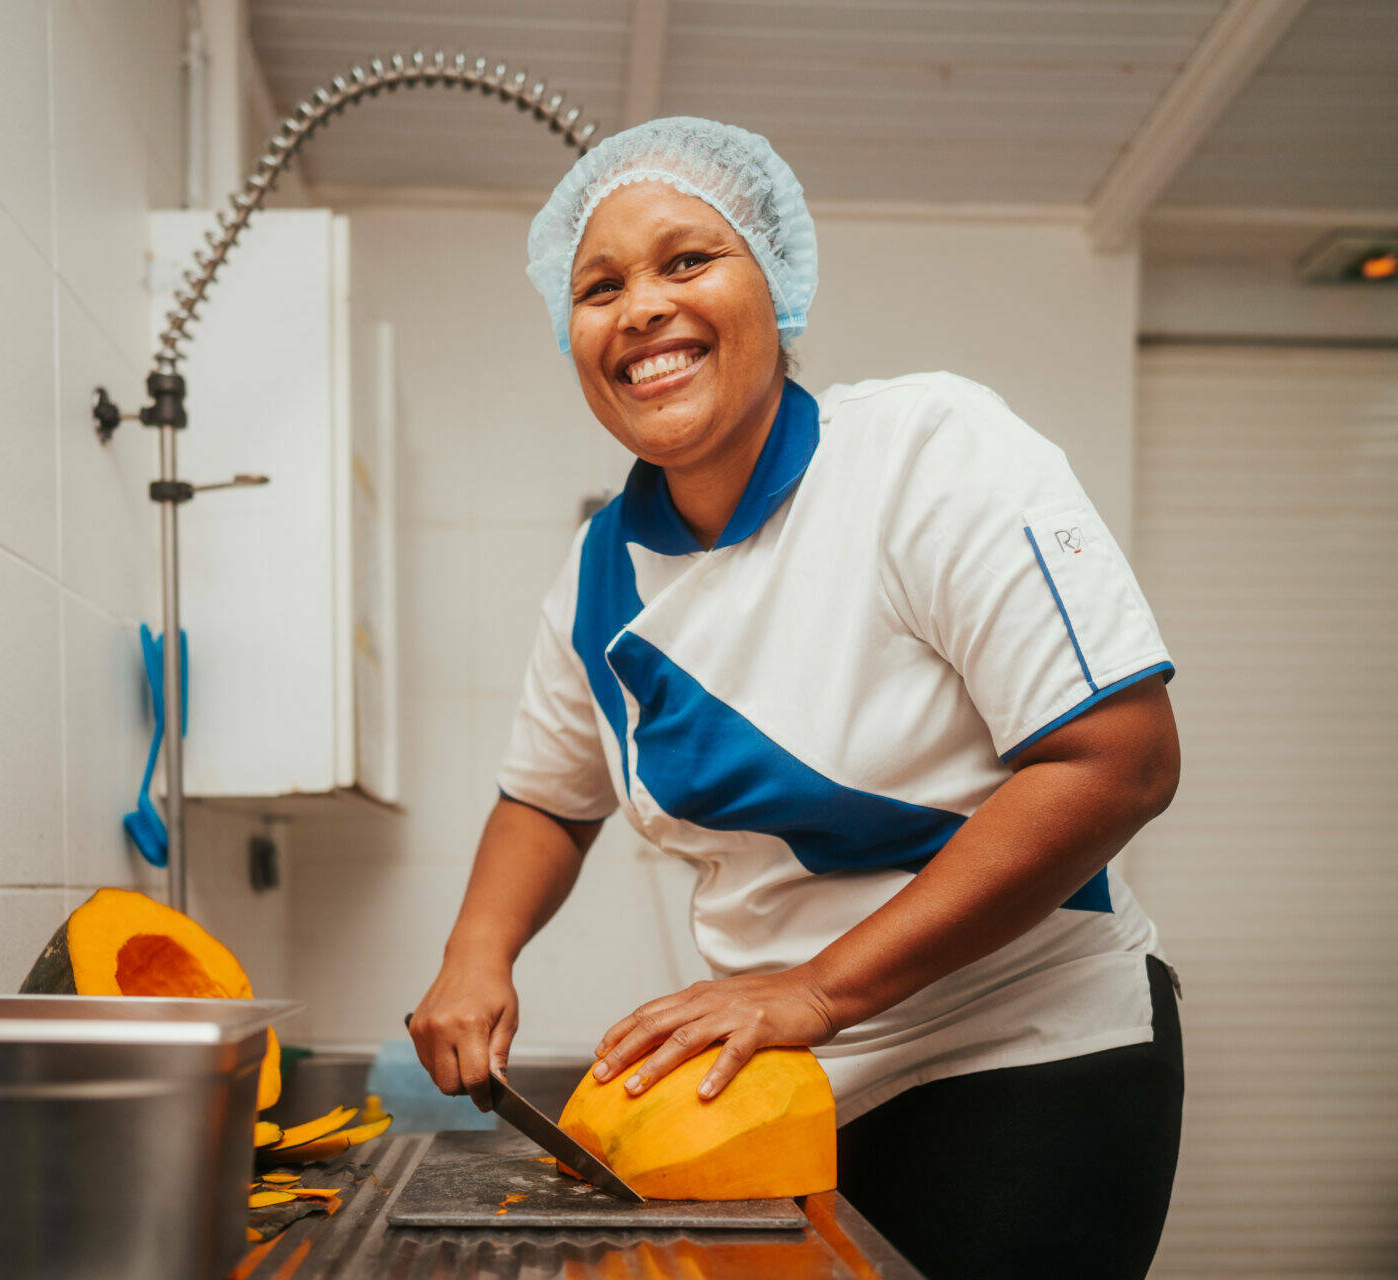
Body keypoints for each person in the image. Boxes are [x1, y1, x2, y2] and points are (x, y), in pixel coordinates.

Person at [408, 116, 1184, 1280]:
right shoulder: (599, 572)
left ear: (773, 286)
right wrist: (477, 950)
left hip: (1026, 1045)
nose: (641, 308)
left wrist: (818, 986)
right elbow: (549, 798)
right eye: (599, 284)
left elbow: (1119, 760)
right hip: (782, 1074)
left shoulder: (928, 452)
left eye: (688, 260)